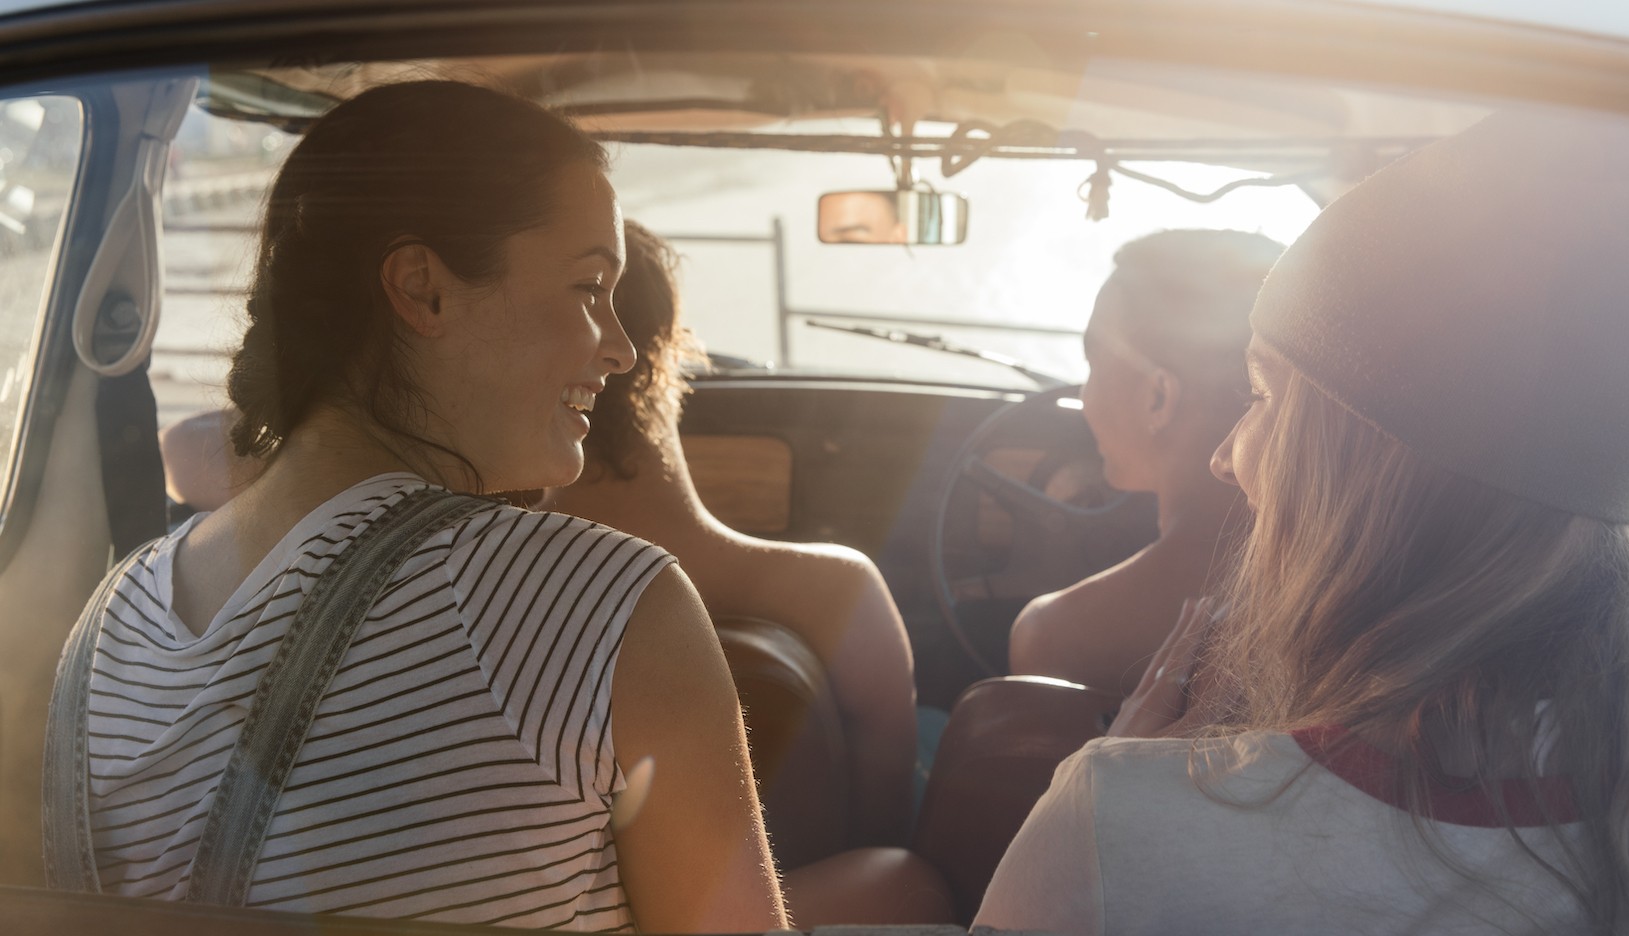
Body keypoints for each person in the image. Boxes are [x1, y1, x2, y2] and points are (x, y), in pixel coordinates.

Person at [64, 82, 785, 931]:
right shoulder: (606, 605)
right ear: (423, 289)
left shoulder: (110, 620)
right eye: (590, 287)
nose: (622, 349)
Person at [976, 111, 1629, 935]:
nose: (1227, 456)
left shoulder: (1118, 829)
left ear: (1353, 472)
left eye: (1265, 396)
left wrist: (1125, 765)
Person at [542, 221, 920, 859]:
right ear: (665, 349)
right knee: (904, 873)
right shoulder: (840, 594)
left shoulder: (478, 592)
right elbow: (883, 827)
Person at [1007, 229, 1282, 698]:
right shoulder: (1350, 602)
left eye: (1093, 364)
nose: (1082, 396)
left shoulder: (1055, 636)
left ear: (1158, 396)